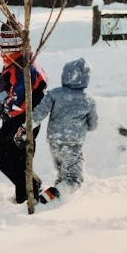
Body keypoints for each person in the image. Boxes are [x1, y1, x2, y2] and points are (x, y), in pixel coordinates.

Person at [0, 20, 48, 204]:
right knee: (13, 157)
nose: (3, 53)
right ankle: (25, 193)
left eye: (6, 49)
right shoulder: (15, 60)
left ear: (17, 46)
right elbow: (10, 92)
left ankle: (29, 190)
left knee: (3, 154)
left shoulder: (23, 69)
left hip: (24, 121)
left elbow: (16, 103)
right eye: (2, 49)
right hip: (17, 119)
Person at [15, 58, 98, 203]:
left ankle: (50, 201)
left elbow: (39, 114)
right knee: (74, 179)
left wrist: (25, 128)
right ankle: (48, 197)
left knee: (63, 175)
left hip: (54, 142)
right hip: (73, 145)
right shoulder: (89, 101)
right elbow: (93, 125)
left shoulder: (54, 95)